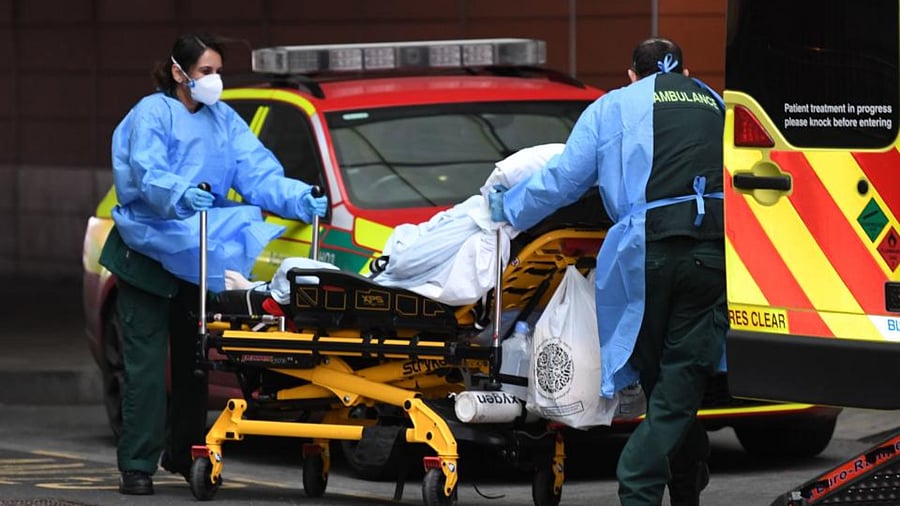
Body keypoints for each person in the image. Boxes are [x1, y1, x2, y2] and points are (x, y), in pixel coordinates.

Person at [489, 38, 726, 505]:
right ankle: (686, 475)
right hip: (711, 252)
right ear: (684, 70)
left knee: (667, 380)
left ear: (631, 74)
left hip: (647, 254)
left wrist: (510, 207)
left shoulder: (612, 106)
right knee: (676, 380)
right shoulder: (715, 102)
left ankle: (637, 484)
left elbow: (565, 178)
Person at [99, 33, 327, 495]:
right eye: (206, 71)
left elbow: (258, 173)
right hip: (146, 252)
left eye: (218, 70)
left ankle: (185, 453)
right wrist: (181, 194)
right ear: (179, 73)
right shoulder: (151, 114)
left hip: (195, 253)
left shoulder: (224, 121)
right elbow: (146, 171)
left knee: (195, 362)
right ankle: (137, 465)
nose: (215, 80)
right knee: (145, 367)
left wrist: (299, 198)